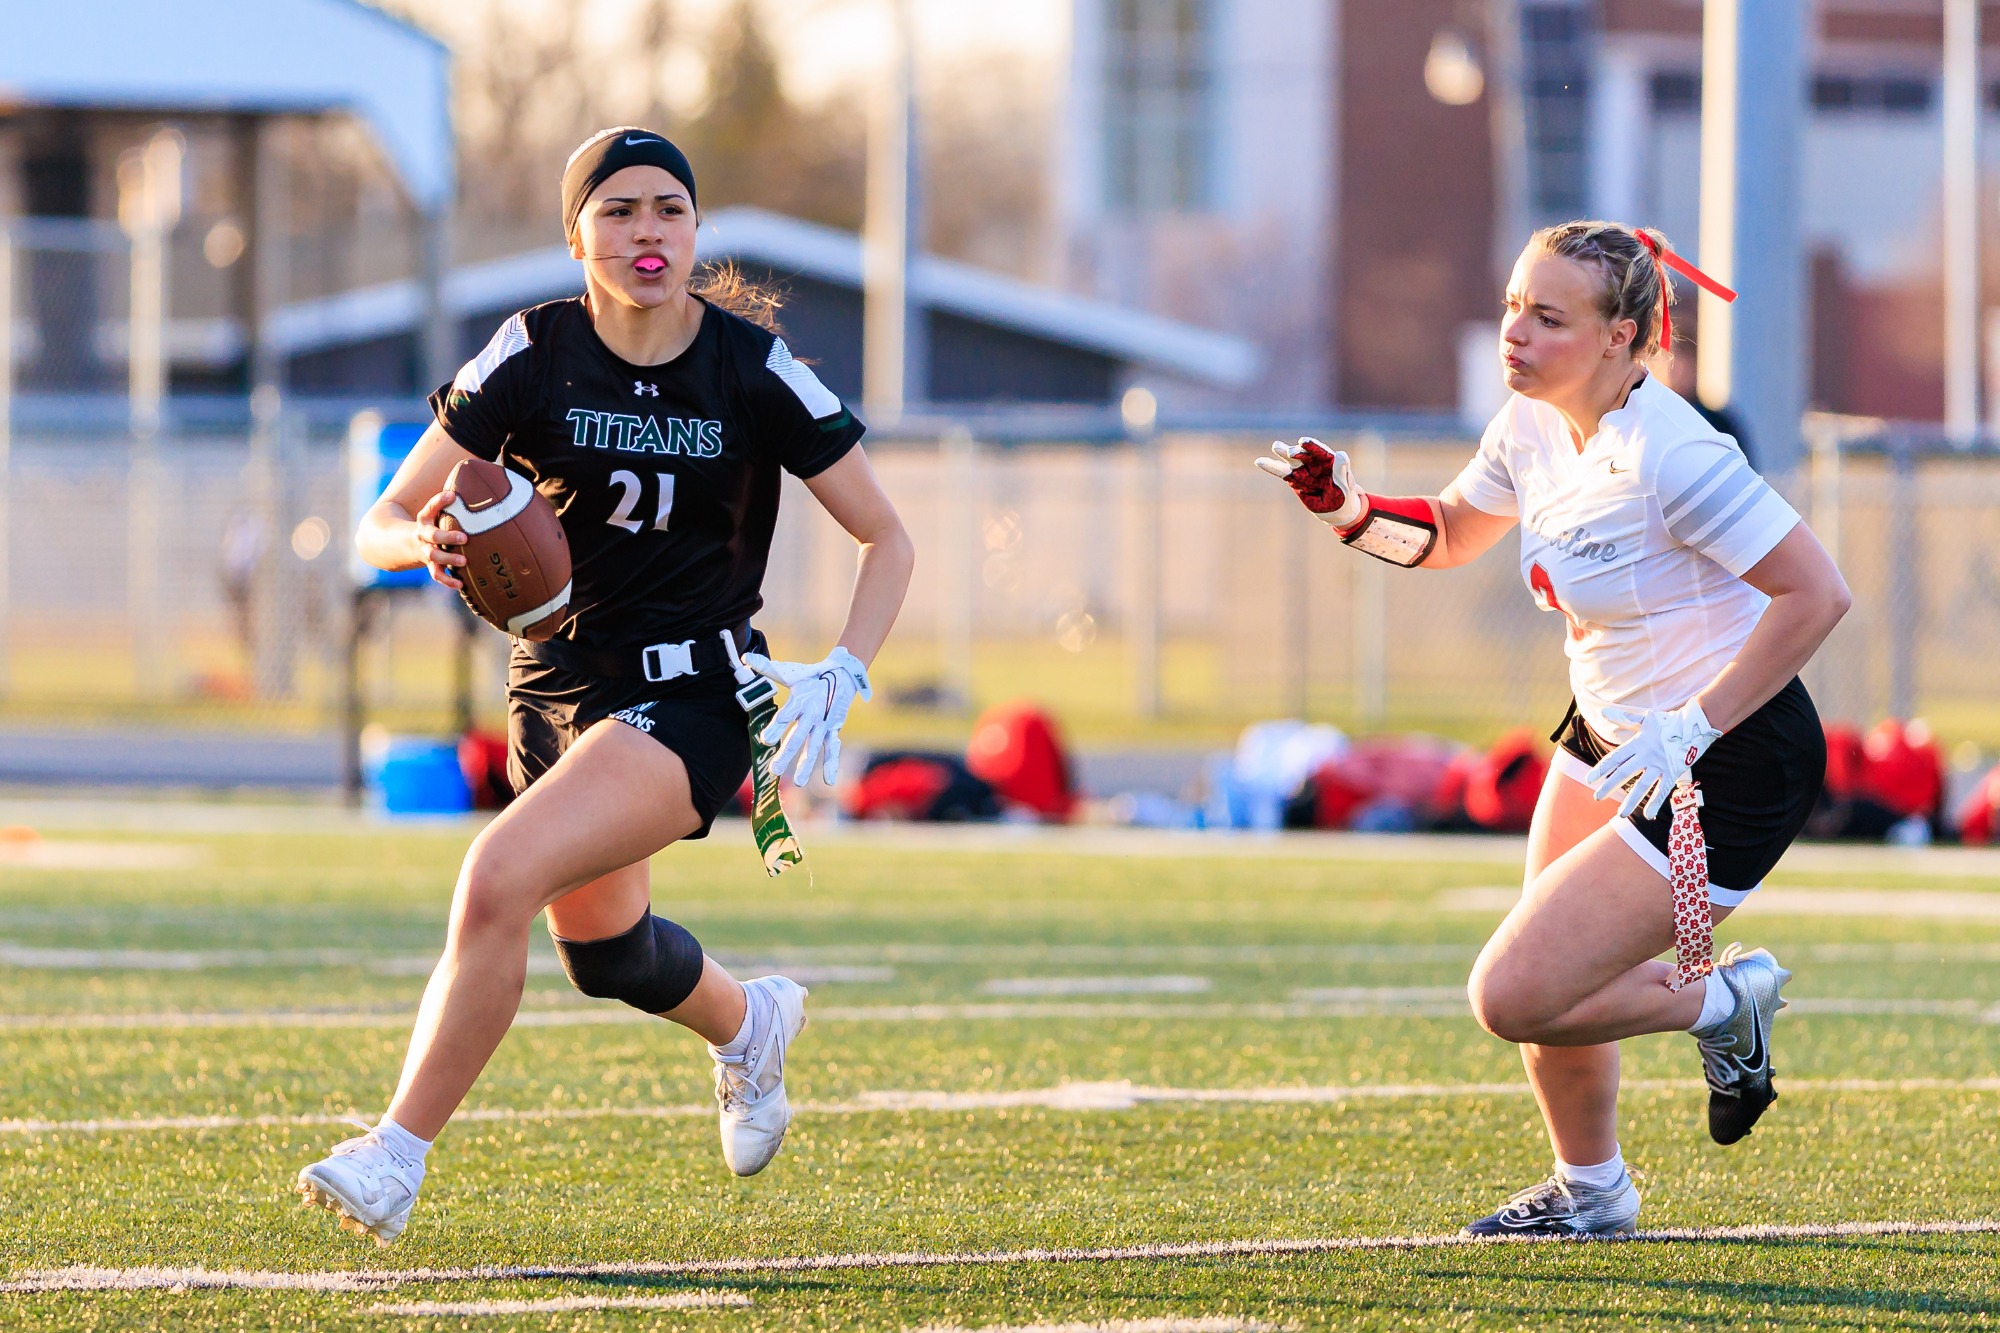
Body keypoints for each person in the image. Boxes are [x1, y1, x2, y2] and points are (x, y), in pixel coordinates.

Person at [296, 127, 914, 1245]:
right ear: (574, 232)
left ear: (694, 229)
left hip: (691, 693)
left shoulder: (751, 365)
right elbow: (379, 519)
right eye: (620, 209)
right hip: (555, 687)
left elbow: (887, 537)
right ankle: (749, 1022)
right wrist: (422, 542)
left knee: (495, 876)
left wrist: (846, 664)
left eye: (670, 209)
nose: (648, 232)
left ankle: (393, 1153)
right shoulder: (531, 350)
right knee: (607, 955)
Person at [1259, 220, 1848, 1237]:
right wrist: (1347, 509)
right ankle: (1592, 1193)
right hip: (1610, 735)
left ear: (1622, 336)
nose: (1513, 335)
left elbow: (1816, 594)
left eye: (1546, 316)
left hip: (1729, 753)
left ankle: (1725, 1002)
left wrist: (1690, 727)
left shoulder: (1672, 451)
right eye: (1510, 308)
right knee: (1549, 975)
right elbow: (1445, 535)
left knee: (1512, 992)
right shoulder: (1527, 425)